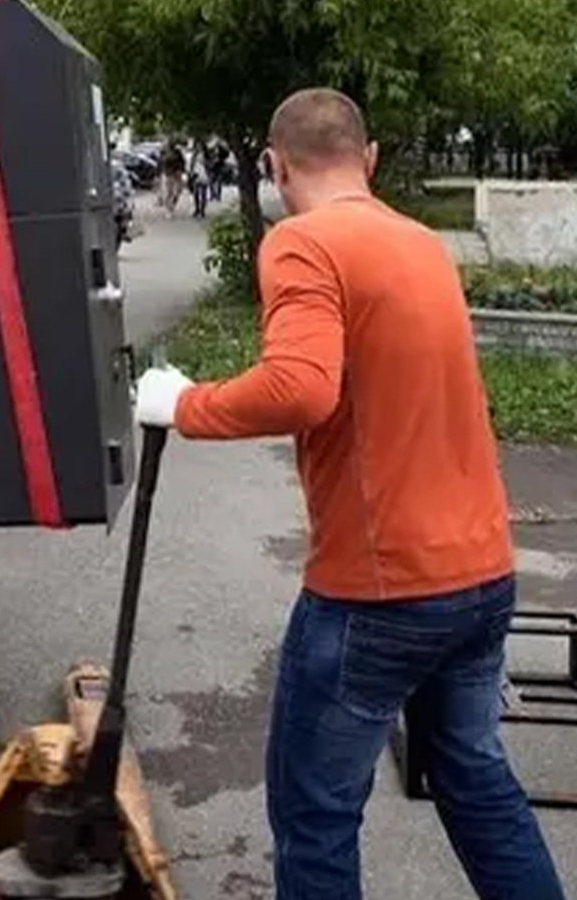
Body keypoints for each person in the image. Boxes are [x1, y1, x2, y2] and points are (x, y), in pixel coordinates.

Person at [134, 88, 564, 900]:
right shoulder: (421, 243)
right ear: (367, 161)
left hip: (379, 594)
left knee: (317, 814)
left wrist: (182, 405)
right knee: (475, 782)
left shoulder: (303, 243)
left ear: (274, 164)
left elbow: (301, 388)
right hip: (481, 576)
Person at [157, 136, 186, 216]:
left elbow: (182, 162)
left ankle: (172, 205)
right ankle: (169, 209)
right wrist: (158, 173)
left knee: (177, 192)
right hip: (168, 173)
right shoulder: (164, 152)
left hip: (177, 173)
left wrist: (182, 171)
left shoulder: (177, 152)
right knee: (169, 192)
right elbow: (160, 163)